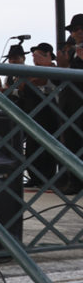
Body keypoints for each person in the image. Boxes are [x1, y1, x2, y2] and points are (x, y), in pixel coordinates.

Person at [22, 42, 58, 188]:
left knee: (49, 148)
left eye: (38, 55)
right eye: (33, 56)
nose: (35, 58)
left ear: (48, 55)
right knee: (32, 147)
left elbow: (43, 82)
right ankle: (35, 178)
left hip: (50, 114)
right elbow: (24, 85)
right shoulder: (32, 72)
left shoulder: (55, 70)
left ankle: (48, 178)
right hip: (33, 115)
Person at [56, 13, 83, 195]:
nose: (78, 32)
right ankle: (72, 179)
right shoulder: (71, 52)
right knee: (70, 143)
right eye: (74, 29)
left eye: (81, 28)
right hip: (69, 105)